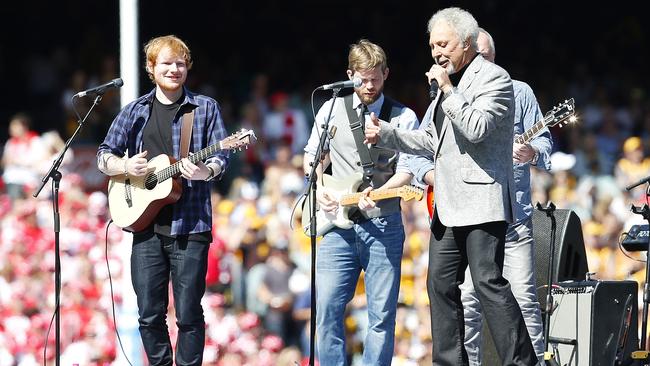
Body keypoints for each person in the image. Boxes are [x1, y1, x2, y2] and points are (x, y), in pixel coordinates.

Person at [365, 7, 537, 365]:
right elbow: (432, 141)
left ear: (467, 42)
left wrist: (447, 89)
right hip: (447, 204)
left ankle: (521, 361)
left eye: (443, 44)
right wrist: (386, 134)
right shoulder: (447, 88)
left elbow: (477, 128)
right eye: (432, 47)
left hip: (481, 198)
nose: (436, 53)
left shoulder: (495, 79)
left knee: (489, 284)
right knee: (439, 286)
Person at [409, 28, 552, 364]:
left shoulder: (517, 91)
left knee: (522, 298)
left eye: (486, 58)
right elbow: (420, 151)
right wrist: (436, 177)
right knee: (467, 302)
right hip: (466, 216)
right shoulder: (448, 96)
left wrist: (531, 151)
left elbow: (545, 142)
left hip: (512, 217)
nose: (480, 64)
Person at [96, 35, 229, 365]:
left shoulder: (205, 108)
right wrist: (125, 165)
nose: (174, 69)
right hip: (145, 225)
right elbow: (103, 156)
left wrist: (203, 171)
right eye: (167, 63)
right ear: (151, 68)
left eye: (181, 63)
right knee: (149, 315)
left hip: (191, 224)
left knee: (188, 314)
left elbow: (221, 158)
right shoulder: (136, 111)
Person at [303, 38, 419, 365]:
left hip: (383, 222)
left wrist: (382, 193)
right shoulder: (329, 108)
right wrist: (319, 187)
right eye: (362, 79)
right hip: (337, 222)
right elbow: (312, 158)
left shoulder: (403, 116)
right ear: (350, 74)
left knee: (381, 313)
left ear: (386, 74)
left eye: (376, 78)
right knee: (326, 308)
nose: (369, 86)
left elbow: (410, 169)